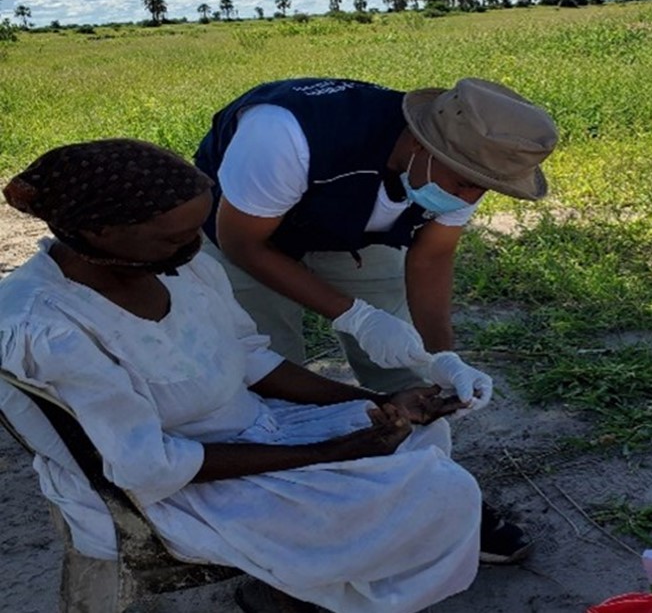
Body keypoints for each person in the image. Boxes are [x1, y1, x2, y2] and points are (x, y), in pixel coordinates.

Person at [0, 139, 483, 613]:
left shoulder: (177, 267)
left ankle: (294, 588)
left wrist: (377, 400)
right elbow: (146, 468)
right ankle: (308, 589)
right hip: (174, 489)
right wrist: (325, 453)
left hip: (247, 433)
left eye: (196, 230)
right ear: (99, 231)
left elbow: (249, 358)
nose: (193, 248)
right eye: (173, 237)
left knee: (418, 439)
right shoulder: (47, 329)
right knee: (437, 491)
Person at [193, 76, 557, 563]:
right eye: (467, 184)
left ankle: (432, 495)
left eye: (485, 189)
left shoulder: (468, 164)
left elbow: (432, 257)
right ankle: (285, 515)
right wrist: (355, 316)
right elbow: (243, 243)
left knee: (406, 371)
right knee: (269, 375)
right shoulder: (285, 136)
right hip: (245, 231)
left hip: (354, 231)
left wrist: (442, 358)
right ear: (425, 144)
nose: (471, 198)